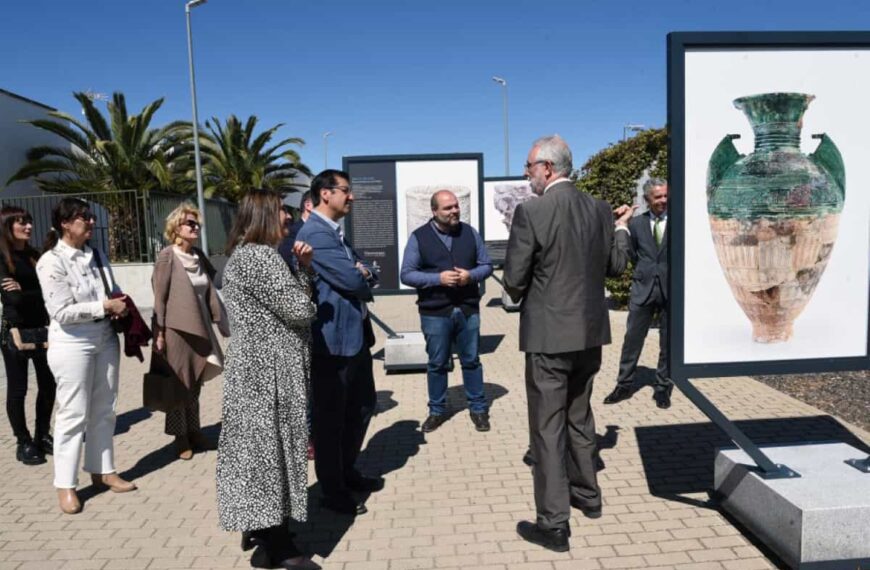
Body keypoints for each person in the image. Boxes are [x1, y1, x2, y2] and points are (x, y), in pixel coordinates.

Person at [503, 135, 633, 552]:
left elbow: (514, 279)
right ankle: (588, 496)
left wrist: (515, 288)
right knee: (580, 415)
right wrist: (621, 228)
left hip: (548, 337)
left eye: (528, 167)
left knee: (546, 427)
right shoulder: (598, 210)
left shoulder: (533, 211)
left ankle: (553, 523)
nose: (526, 175)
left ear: (547, 168)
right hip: (589, 335)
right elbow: (615, 266)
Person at [216, 188, 320, 570]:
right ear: (262, 216)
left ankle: (261, 526)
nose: (289, 218)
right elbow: (300, 310)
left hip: (257, 371)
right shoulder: (260, 258)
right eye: (281, 212)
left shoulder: (244, 255)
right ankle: (275, 545)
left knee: (260, 454)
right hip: (268, 373)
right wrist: (306, 272)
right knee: (271, 454)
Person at [36, 197, 136, 515]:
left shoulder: (97, 254)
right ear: (65, 223)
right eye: (84, 217)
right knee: (72, 414)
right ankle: (65, 485)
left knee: (105, 407)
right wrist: (104, 306)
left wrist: (117, 303)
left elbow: (112, 287)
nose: (91, 222)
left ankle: (103, 469)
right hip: (71, 343)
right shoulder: (51, 261)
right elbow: (61, 311)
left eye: (91, 217)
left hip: (104, 336)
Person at [296, 169, 382, 517]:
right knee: (331, 420)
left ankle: (347, 472)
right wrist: (361, 272)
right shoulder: (314, 232)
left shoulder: (335, 234)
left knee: (361, 406)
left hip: (355, 338)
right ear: (325, 194)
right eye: (346, 191)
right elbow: (352, 277)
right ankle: (332, 491)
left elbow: (368, 270)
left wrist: (363, 271)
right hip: (331, 345)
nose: (352, 197)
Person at [400, 189, 493, 433]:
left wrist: (470, 276)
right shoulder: (419, 237)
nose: (454, 211)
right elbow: (407, 273)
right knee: (437, 363)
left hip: (467, 308)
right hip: (435, 312)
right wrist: (437, 278)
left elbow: (487, 266)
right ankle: (437, 410)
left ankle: (478, 407)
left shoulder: (470, 233)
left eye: (455, 206)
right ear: (434, 211)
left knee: (471, 360)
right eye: (447, 208)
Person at [152, 203, 229, 460]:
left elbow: (210, 292)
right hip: (176, 330)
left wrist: (221, 321)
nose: (195, 227)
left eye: (197, 224)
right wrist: (159, 332)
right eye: (190, 223)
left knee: (195, 382)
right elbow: (159, 297)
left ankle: (194, 430)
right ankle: (180, 437)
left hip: (201, 327)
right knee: (179, 383)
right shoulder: (167, 256)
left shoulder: (198, 256)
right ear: (176, 227)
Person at [604, 178, 672, 409]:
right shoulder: (636, 225)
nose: (663, 200)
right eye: (658, 197)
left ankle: (662, 387)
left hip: (670, 290)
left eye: (665, 195)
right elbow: (631, 253)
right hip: (643, 289)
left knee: (668, 342)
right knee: (632, 339)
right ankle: (624, 384)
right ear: (647, 200)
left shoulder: (679, 221)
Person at [0, 206, 55, 466]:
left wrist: (28, 290)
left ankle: (42, 434)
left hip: (43, 329)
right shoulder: (2, 258)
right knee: (18, 389)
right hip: (14, 332)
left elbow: (51, 292)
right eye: (21, 223)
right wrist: (33, 293)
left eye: (29, 222)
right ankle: (23, 442)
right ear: (7, 226)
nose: (29, 227)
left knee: (48, 385)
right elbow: (12, 298)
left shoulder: (36, 255)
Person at [278, 190, 316, 461]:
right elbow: (299, 303)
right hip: (282, 342)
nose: (287, 216)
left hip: (302, 331)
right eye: (282, 210)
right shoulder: (266, 255)